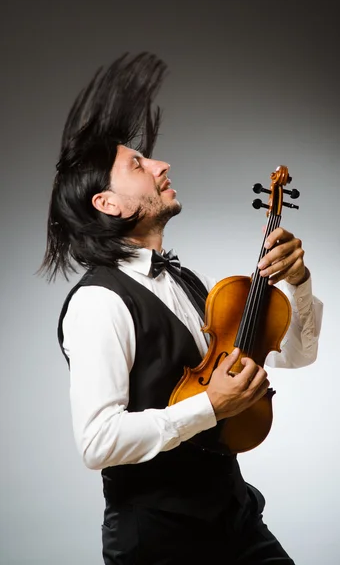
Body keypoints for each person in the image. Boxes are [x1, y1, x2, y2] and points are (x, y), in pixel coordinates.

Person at [41, 52, 323, 565]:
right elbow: (97, 443)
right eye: (137, 164)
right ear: (110, 204)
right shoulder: (99, 303)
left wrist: (298, 283)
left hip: (235, 516)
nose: (160, 164)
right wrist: (210, 407)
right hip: (160, 540)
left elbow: (295, 356)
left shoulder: (190, 284)